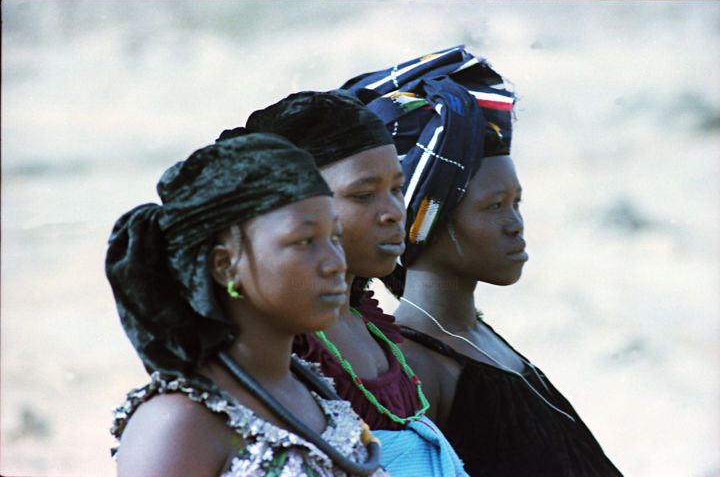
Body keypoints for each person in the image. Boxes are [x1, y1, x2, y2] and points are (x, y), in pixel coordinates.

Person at [343, 45, 623, 476]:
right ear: (426, 219)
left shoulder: (477, 339)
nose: (516, 224)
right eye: (494, 207)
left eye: (517, 203)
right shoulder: (415, 365)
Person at [106, 132, 387, 476]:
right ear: (225, 265)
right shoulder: (179, 423)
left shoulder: (316, 394)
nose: (336, 263)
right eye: (304, 241)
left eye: (335, 238)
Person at [219, 90, 467, 476]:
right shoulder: (280, 349)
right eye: (363, 195)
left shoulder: (374, 329)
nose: (393, 212)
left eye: (397, 189)